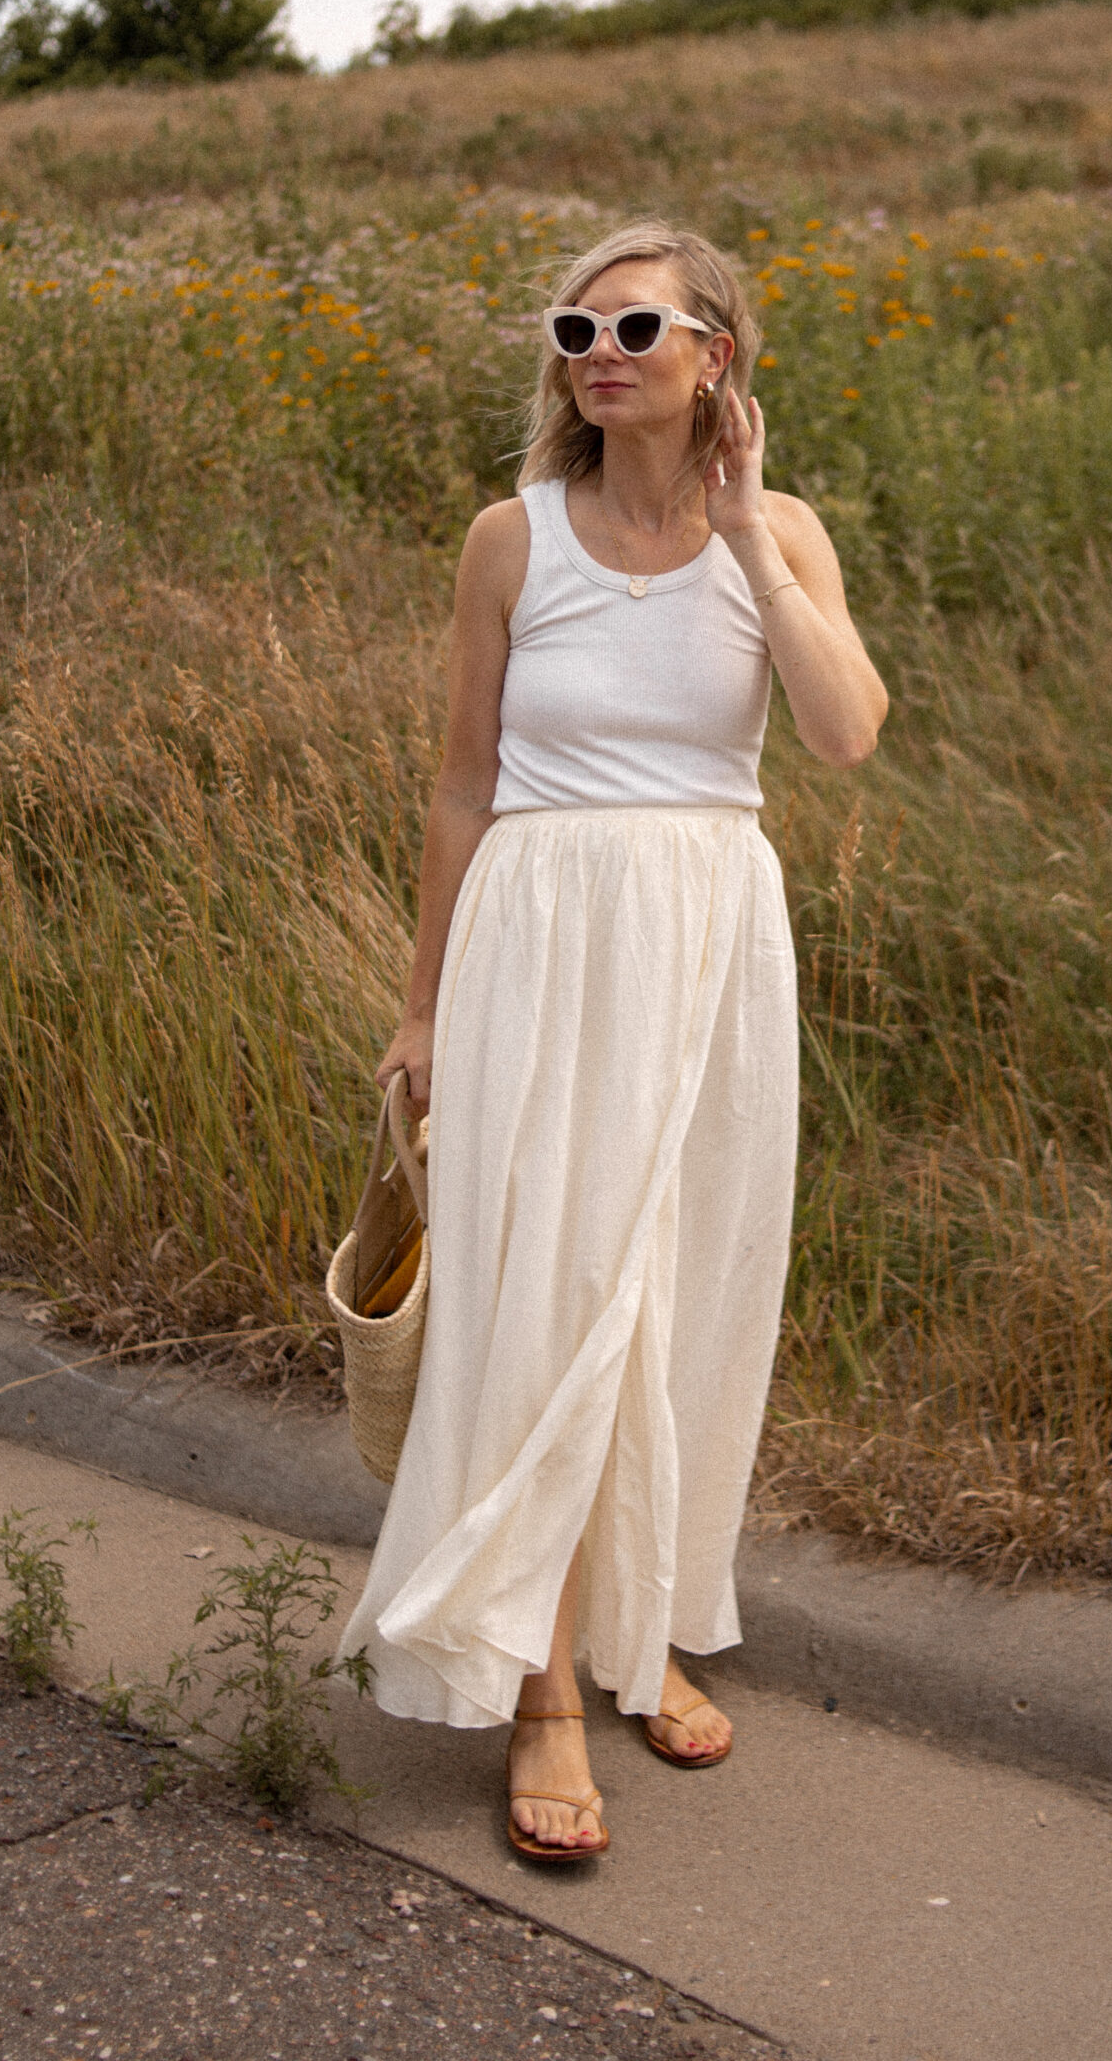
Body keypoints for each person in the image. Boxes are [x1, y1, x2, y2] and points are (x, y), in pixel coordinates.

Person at [337, 217, 887, 1861]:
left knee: (681, 1298)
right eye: (573, 332)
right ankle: (543, 1698)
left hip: (710, 945)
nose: (598, 356)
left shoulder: (777, 534)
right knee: (549, 1302)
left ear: (718, 353)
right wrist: (424, 1004)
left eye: (633, 327)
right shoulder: (511, 541)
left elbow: (847, 734)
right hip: (539, 944)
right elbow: (460, 780)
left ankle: (636, 1625)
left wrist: (750, 543)